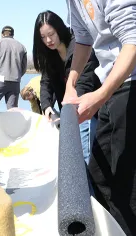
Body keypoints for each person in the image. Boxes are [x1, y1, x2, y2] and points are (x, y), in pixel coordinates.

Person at [13, 0, 136, 236]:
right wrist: (72, 82)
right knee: (98, 172)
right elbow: (84, 40)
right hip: (114, 84)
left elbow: (134, 43)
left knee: (125, 179)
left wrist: (99, 96)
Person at [32, 10, 100, 165]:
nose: (48, 40)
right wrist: (47, 106)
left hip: (87, 109)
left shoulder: (79, 46)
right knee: (74, 157)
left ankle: (88, 188)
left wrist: (70, 110)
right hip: (69, 112)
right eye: (43, 37)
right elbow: (46, 82)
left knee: (85, 157)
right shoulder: (51, 55)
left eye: (51, 34)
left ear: (59, 29)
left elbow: (85, 82)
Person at [0, 26, 28, 110]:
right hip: (15, 82)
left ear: (2, 34)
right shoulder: (22, 47)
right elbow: (23, 68)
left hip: (0, 81)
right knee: (12, 111)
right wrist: (16, 76)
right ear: (13, 35)